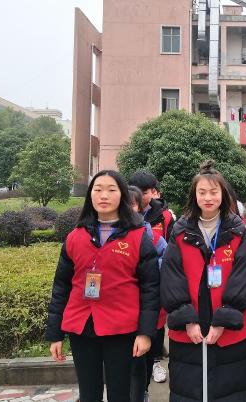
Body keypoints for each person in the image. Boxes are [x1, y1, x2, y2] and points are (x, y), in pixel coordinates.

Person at [46, 170, 161, 402]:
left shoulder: (138, 236)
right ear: (90, 195)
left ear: (122, 195)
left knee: (120, 394)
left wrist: (145, 333)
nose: (104, 195)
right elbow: (61, 287)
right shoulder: (75, 237)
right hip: (81, 327)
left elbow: (151, 289)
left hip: (122, 329)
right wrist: (55, 334)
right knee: (89, 394)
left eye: (111, 190)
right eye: (98, 189)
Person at [160, 160, 246, 401]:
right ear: (194, 195)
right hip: (189, 329)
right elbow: (172, 276)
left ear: (223, 194)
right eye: (202, 192)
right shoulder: (180, 231)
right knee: (188, 390)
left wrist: (224, 319)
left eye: (214, 192)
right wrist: (186, 319)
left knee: (229, 391)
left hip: (228, 331)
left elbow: (244, 276)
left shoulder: (237, 231)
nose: (208, 198)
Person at [129, 171, 174, 385]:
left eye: (145, 191)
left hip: (156, 280)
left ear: (154, 192)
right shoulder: (121, 216)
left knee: (156, 322)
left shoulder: (164, 217)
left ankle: (155, 361)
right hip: (130, 286)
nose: (140, 195)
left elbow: (170, 249)